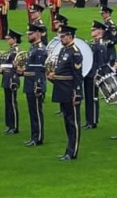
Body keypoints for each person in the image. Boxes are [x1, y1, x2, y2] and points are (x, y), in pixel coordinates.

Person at [49, 25, 84, 161]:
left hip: (70, 90)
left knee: (73, 122)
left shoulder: (75, 52)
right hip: (62, 89)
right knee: (67, 121)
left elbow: (77, 75)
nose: (61, 38)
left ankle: (72, 151)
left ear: (70, 36)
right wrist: (53, 76)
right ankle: (68, 150)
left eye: (63, 36)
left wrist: (77, 92)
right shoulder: (64, 50)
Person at [20, 23, 47, 147]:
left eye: (30, 34)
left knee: (36, 112)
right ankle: (34, 136)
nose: (28, 36)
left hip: (36, 84)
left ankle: (39, 137)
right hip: (29, 83)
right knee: (32, 112)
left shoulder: (41, 49)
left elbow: (39, 70)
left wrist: (24, 71)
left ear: (37, 34)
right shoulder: (33, 48)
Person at [84, 21, 108, 130]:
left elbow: (101, 63)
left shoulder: (101, 45)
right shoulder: (93, 43)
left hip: (94, 75)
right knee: (88, 98)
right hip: (88, 74)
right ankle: (88, 120)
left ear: (100, 31)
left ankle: (93, 120)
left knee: (93, 98)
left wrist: (97, 76)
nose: (91, 31)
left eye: (94, 30)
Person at [0, 30, 21, 137]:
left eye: (9, 38)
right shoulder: (11, 50)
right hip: (7, 78)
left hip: (12, 78)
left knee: (12, 103)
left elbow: (14, 65)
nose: (8, 40)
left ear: (15, 39)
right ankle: (9, 125)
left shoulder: (16, 50)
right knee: (8, 103)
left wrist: (1, 67)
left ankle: (15, 126)